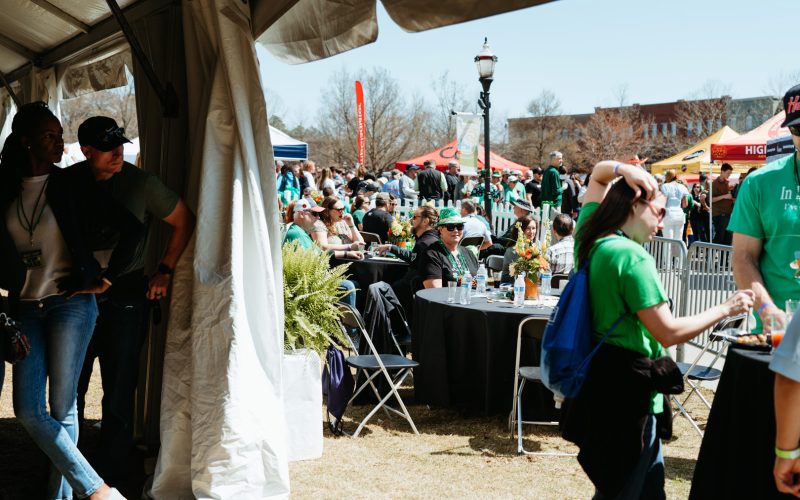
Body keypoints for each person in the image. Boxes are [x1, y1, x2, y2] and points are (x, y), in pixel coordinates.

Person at [565, 159, 753, 499]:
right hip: (630, 400)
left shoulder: (591, 239)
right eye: (660, 211)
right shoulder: (633, 258)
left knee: (620, 488)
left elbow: (596, 176)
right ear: (636, 204)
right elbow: (668, 332)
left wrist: (625, 169)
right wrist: (726, 307)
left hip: (596, 389)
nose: (663, 222)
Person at [0, 103, 124, 499]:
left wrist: (106, 278)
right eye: (51, 136)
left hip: (69, 303)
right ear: (27, 141)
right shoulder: (5, 187)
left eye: (60, 135)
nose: (61, 142)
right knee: (27, 408)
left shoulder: (71, 182)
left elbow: (130, 227)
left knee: (63, 408)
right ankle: (98, 490)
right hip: (25, 307)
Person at [73, 116, 195, 489]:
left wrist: (165, 269)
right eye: (109, 147)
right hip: (78, 294)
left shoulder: (141, 183)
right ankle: (72, 470)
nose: (118, 153)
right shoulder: (70, 183)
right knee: (70, 387)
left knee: (120, 389)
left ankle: (113, 479)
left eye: (121, 144)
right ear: (86, 150)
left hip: (126, 296)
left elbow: (183, 219)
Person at [282, 199, 360, 308]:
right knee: (349, 286)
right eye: (314, 214)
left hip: (313, 280)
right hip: (308, 286)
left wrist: (347, 254)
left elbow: (321, 254)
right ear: (301, 214)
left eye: (318, 214)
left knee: (354, 284)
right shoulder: (295, 233)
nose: (318, 217)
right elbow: (309, 265)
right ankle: (347, 324)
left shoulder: (301, 231)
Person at [418, 208, 479, 288]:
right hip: (445, 299)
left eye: (460, 226)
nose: (456, 230)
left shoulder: (469, 253)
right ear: (440, 230)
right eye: (450, 227)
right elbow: (434, 292)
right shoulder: (432, 254)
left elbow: (479, 283)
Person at [500, 215, 536, 284]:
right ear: (521, 230)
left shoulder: (536, 246)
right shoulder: (513, 251)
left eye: (533, 228)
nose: (531, 232)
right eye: (528, 228)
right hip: (512, 287)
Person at [660, 169, 689, 241]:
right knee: (678, 241)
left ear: (668, 177)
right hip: (680, 214)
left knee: (668, 241)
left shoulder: (665, 186)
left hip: (668, 214)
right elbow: (685, 204)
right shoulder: (683, 187)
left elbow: (664, 202)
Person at [710, 163, 734, 245]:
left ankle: (725, 258)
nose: (729, 175)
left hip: (727, 214)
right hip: (719, 215)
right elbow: (711, 199)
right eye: (728, 173)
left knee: (728, 238)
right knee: (719, 237)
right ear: (722, 172)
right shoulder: (714, 184)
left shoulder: (727, 183)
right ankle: (710, 256)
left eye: (730, 174)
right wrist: (725, 196)